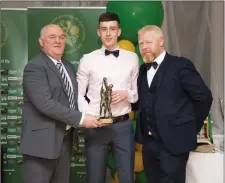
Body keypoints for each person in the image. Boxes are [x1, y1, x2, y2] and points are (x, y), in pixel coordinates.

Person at [19, 24, 102, 183]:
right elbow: (45, 103)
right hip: (41, 145)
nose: (58, 41)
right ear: (41, 42)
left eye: (61, 37)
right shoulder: (35, 67)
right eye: (52, 37)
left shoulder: (68, 66)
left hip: (65, 140)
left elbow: (75, 98)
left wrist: (97, 113)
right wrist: (81, 118)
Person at [135, 25, 213, 183]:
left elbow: (204, 98)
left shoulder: (180, 65)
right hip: (149, 146)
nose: (144, 47)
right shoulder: (143, 70)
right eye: (141, 43)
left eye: (148, 42)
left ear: (161, 41)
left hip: (174, 145)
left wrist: (189, 127)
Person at [77, 12, 139, 183]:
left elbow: (136, 94)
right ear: (98, 32)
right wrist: (88, 116)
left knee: (127, 177)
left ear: (119, 31)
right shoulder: (87, 60)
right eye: (104, 29)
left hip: (123, 126)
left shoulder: (132, 58)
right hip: (95, 127)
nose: (108, 33)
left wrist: (127, 94)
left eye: (112, 29)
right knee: (95, 178)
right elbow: (79, 95)